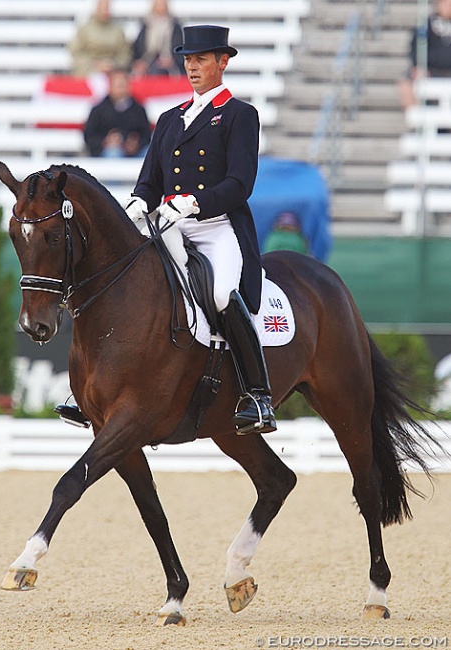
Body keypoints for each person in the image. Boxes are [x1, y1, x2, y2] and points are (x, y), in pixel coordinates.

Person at [127, 24, 276, 435]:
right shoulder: (169, 118)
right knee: (124, 276)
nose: (192, 67)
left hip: (215, 226)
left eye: (201, 59)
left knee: (219, 294)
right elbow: (149, 181)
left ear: (222, 62)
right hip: (170, 225)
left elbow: (240, 183)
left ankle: (257, 395)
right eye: (188, 60)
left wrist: (196, 202)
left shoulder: (239, 115)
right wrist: (140, 202)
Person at [83, 68, 151, 157]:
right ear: (110, 87)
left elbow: (146, 134)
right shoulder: (99, 109)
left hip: (135, 151)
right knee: (114, 153)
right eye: (118, 85)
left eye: (123, 85)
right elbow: (89, 135)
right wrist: (105, 141)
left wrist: (136, 143)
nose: (121, 89)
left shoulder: (138, 109)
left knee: (148, 155)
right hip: (108, 151)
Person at [398, 0, 451, 110]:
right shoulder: (426, 26)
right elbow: (416, 49)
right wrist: (419, 66)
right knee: (406, 83)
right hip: (431, 71)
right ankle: (417, 120)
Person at [68, 0, 132, 77]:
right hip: (88, 71)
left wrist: (113, 64)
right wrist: (95, 65)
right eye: (103, 7)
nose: (105, 11)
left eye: (107, 8)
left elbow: (125, 53)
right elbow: (76, 52)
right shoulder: (85, 29)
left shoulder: (118, 30)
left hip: (112, 72)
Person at [131, 0, 185, 77]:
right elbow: (138, 46)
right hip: (148, 59)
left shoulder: (175, 26)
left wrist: (172, 60)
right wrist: (139, 62)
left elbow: (179, 47)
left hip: (170, 61)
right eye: (158, 5)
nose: (161, 8)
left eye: (162, 5)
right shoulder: (146, 24)